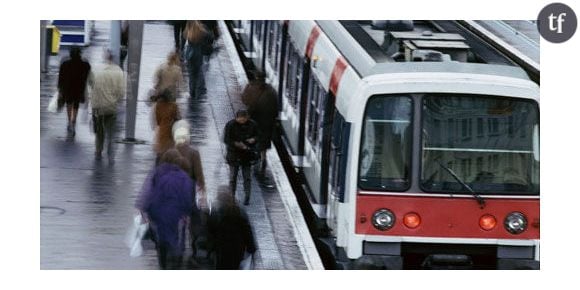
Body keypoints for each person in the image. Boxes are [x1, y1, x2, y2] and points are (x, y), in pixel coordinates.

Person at [135, 149, 194, 269]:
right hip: (177, 216)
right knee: (175, 242)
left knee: (161, 242)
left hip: (158, 216)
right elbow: (187, 199)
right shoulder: (184, 177)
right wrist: (188, 212)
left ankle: (163, 265)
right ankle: (175, 264)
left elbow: (148, 192)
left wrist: (144, 209)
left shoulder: (157, 173)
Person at [172, 119, 208, 260]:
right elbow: (199, 173)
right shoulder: (193, 153)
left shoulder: (170, 152)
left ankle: (178, 243)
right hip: (188, 189)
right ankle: (191, 241)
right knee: (191, 215)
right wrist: (202, 189)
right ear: (187, 138)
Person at [87, 50, 125, 161]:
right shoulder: (118, 71)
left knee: (99, 131)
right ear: (113, 59)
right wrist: (117, 100)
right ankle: (110, 148)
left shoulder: (96, 69)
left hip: (98, 106)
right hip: (111, 106)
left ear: (104, 57)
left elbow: (90, 83)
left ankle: (98, 150)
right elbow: (121, 92)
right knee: (111, 129)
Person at [207, 185, 256, 269]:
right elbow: (247, 231)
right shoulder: (240, 210)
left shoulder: (215, 211)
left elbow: (210, 231)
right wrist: (251, 248)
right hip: (237, 249)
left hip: (221, 250)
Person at [244, 71, 279, 173]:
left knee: (254, 137)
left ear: (256, 77)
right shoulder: (271, 90)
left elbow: (245, 99)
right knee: (264, 139)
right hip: (268, 120)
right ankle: (263, 157)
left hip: (255, 118)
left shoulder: (251, 87)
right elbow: (276, 105)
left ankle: (256, 156)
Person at [223, 109, 260, 205]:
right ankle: (232, 197)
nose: (242, 121)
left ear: (247, 117)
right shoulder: (230, 125)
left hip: (247, 154)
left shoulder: (253, 125)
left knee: (247, 177)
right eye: (241, 119)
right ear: (237, 118)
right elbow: (227, 139)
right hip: (234, 154)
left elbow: (258, 136)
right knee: (232, 177)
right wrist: (237, 144)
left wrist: (253, 139)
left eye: (244, 119)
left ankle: (247, 196)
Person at [57, 46, 91, 136]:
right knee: (76, 104)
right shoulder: (85, 65)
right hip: (79, 88)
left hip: (67, 88)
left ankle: (69, 120)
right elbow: (88, 73)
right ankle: (74, 120)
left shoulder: (65, 64)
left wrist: (60, 89)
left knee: (68, 103)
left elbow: (60, 78)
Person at [152, 89, 180, 162]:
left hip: (162, 131)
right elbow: (178, 118)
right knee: (171, 153)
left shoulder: (158, 105)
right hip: (171, 131)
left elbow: (158, 121)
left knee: (160, 152)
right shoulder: (174, 106)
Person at [183, 20, 208, 98]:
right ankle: (200, 90)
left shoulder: (187, 32)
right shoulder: (201, 31)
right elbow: (208, 37)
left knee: (191, 75)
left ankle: (192, 92)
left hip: (190, 55)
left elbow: (184, 42)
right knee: (198, 72)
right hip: (198, 54)